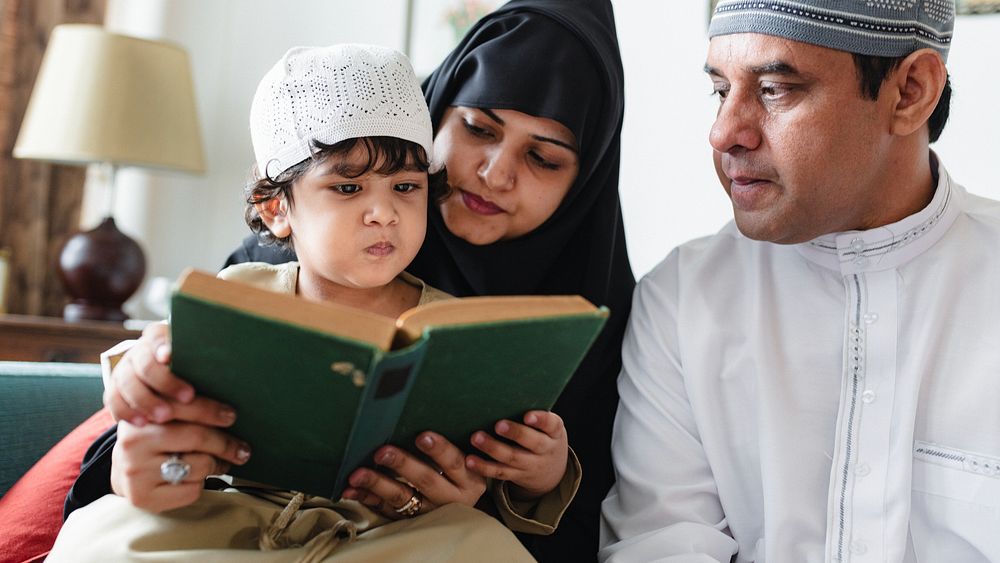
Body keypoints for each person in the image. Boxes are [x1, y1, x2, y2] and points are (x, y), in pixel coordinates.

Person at [88, 1, 633, 561]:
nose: (494, 173)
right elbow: (142, 434)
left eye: (543, 158)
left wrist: (505, 493)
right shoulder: (268, 267)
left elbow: (599, 525)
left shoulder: (606, 318)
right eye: (476, 127)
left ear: (585, 181)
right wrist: (141, 415)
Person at [600, 0, 1000, 561]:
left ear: (911, 91)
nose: (724, 133)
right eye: (721, 90)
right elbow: (658, 545)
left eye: (774, 90)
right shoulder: (683, 301)